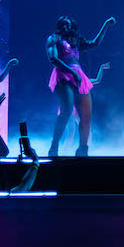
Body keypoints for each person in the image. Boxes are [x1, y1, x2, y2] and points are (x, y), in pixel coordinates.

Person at [46, 15, 115, 157]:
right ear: (58, 26)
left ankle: (83, 149)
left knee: (86, 115)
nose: (66, 27)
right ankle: (54, 147)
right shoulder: (53, 39)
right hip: (63, 75)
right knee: (66, 111)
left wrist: (106, 24)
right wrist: (72, 72)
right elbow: (53, 59)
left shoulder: (75, 41)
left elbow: (94, 43)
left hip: (78, 76)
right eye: (63, 24)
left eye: (69, 24)